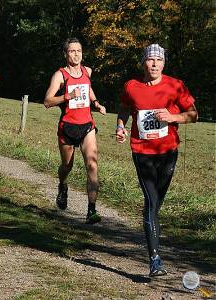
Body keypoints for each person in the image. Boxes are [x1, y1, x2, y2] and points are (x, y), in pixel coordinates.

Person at [116, 44, 198, 276]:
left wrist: (173, 116)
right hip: (142, 151)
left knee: (155, 205)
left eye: (158, 60)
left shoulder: (175, 85)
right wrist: (120, 125)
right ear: (143, 62)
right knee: (152, 202)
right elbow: (124, 108)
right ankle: (155, 260)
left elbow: (194, 114)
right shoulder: (132, 86)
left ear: (164, 63)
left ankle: (150, 228)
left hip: (168, 151)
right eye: (150, 60)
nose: (154, 64)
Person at [44, 37, 106, 224]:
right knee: (67, 166)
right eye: (72, 51)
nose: (76, 54)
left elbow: (89, 88)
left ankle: (91, 210)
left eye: (79, 50)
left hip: (87, 125)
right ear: (66, 54)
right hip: (68, 127)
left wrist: (96, 103)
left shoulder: (87, 71)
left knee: (92, 164)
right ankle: (62, 185)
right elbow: (47, 101)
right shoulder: (60, 75)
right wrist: (68, 95)